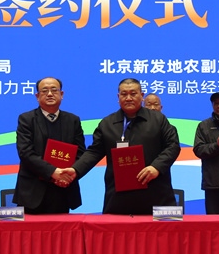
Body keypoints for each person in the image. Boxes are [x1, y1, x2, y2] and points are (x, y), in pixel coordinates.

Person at [63, 78, 181, 215]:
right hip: (119, 198)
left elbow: (173, 146)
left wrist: (156, 167)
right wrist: (75, 170)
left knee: (168, 228)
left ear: (142, 95)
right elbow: (94, 152)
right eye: (124, 94)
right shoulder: (107, 123)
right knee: (117, 228)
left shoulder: (158, 119)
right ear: (118, 97)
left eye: (133, 93)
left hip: (158, 193)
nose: (128, 98)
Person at [14, 77, 86, 214]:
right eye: (44, 91)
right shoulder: (26, 119)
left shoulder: (73, 120)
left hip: (63, 189)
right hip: (32, 192)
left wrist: (68, 175)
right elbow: (25, 152)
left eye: (54, 90)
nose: (50, 94)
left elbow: (81, 153)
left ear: (61, 94)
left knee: (61, 228)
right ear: (37, 96)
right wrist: (53, 172)